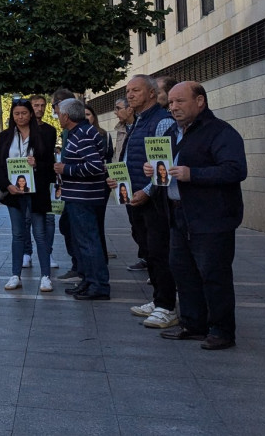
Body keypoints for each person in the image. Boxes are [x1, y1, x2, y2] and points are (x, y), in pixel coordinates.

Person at [153, 82, 247, 350]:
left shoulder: (220, 132)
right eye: (170, 102)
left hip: (211, 217)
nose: (173, 107)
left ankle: (221, 330)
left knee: (213, 274)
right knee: (183, 272)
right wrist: (155, 169)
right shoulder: (173, 132)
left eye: (180, 101)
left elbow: (234, 170)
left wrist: (193, 174)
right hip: (178, 215)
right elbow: (168, 167)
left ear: (200, 102)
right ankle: (193, 324)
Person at [111, 74, 179, 328]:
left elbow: (164, 165)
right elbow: (132, 158)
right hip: (136, 197)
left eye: (135, 90)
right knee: (149, 251)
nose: (129, 95)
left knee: (160, 251)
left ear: (152, 93)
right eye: (128, 91)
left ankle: (166, 306)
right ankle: (158, 299)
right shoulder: (138, 122)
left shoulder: (161, 122)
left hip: (155, 200)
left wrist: (147, 192)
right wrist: (120, 182)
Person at [0, 98, 55, 292]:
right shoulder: (5, 136)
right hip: (14, 192)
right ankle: (15, 274)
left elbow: (51, 166)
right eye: (16, 114)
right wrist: (7, 185)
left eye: (24, 113)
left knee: (40, 233)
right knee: (18, 234)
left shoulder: (43, 135)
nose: (20, 117)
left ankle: (45, 276)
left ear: (30, 114)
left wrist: (37, 164)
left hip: (36, 192)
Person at [54, 99, 110, 300]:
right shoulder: (80, 132)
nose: (58, 117)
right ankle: (88, 280)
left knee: (88, 242)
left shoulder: (84, 134)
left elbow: (96, 166)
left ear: (66, 116)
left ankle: (99, 285)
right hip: (79, 195)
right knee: (83, 242)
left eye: (59, 113)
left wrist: (65, 169)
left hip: (84, 197)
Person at [28, 95, 61, 272]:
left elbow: (49, 156)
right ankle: (27, 251)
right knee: (27, 218)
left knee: (49, 218)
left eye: (42, 105)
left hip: (46, 179)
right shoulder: (23, 129)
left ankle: (47, 251)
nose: (39, 109)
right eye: (35, 105)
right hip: (26, 179)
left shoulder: (50, 130)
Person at [84, 103, 113, 260]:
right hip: (84, 183)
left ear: (94, 116)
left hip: (101, 181)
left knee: (98, 219)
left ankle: (101, 254)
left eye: (88, 114)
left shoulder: (103, 134)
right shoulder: (76, 134)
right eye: (83, 115)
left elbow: (109, 156)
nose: (86, 117)